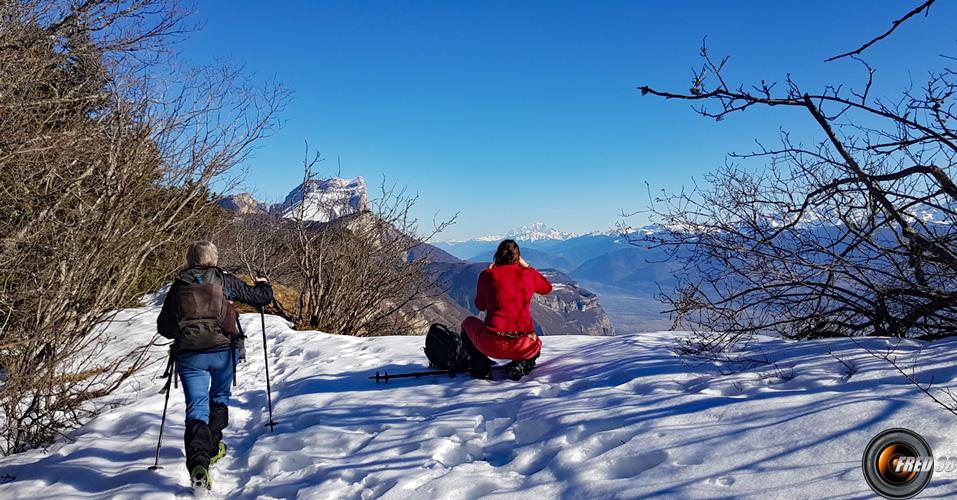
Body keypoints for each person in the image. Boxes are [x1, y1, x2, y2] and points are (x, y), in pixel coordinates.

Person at [157, 240, 273, 488]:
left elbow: (164, 328)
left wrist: (184, 331)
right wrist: (264, 285)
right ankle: (211, 448)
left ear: (190, 258)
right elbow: (261, 299)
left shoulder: (179, 285)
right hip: (222, 352)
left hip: (190, 356)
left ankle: (199, 461)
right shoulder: (224, 281)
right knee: (219, 397)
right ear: (214, 258)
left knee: (196, 407)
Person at [461, 239, 552, 380]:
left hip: (491, 344)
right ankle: (521, 364)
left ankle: (480, 367)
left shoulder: (487, 275)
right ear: (518, 257)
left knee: (467, 323)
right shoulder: (527, 275)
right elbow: (547, 288)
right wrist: (527, 267)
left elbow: (480, 306)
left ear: (497, 256)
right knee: (537, 344)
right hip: (524, 345)